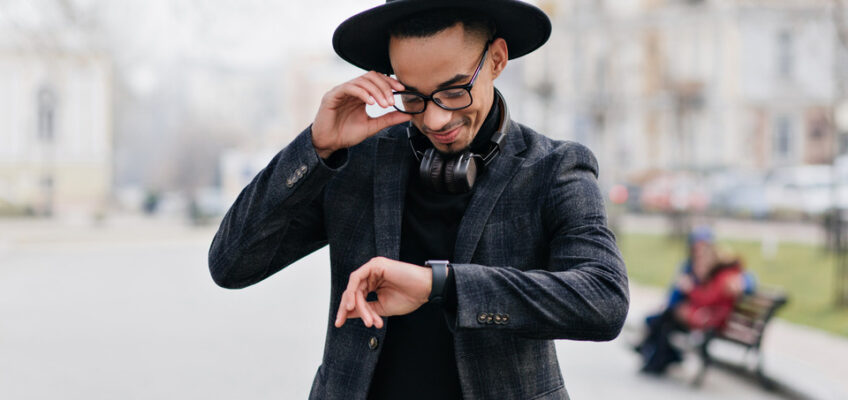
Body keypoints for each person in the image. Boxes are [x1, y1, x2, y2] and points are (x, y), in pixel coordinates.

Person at [208, 1, 629, 399]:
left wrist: (441, 285)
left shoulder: (554, 168)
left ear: (497, 60)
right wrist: (317, 147)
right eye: (413, 96)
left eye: (453, 91)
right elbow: (231, 263)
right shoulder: (355, 159)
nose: (435, 118)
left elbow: (603, 300)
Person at [636, 230, 750, 374]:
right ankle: (657, 357)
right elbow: (689, 296)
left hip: (712, 321)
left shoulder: (725, 276)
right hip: (704, 315)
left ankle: (656, 357)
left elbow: (710, 298)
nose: (700, 264)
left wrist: (690, 291)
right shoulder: (694, 268)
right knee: (667, 318)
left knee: (667, 320)